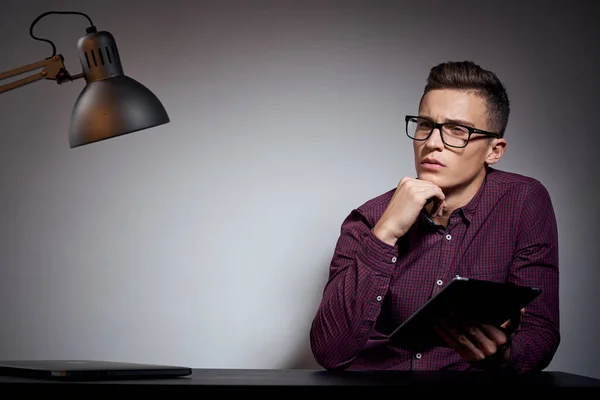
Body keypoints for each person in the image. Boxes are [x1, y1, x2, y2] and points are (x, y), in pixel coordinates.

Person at [309, 61, 560, 372]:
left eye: (458, 130)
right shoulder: (369, 218)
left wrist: (506, 355)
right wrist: (385, 233)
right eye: (425, 125)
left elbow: (541, 330)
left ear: (494, 150)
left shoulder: (523, 201)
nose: (431, 143)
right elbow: (329, 352)